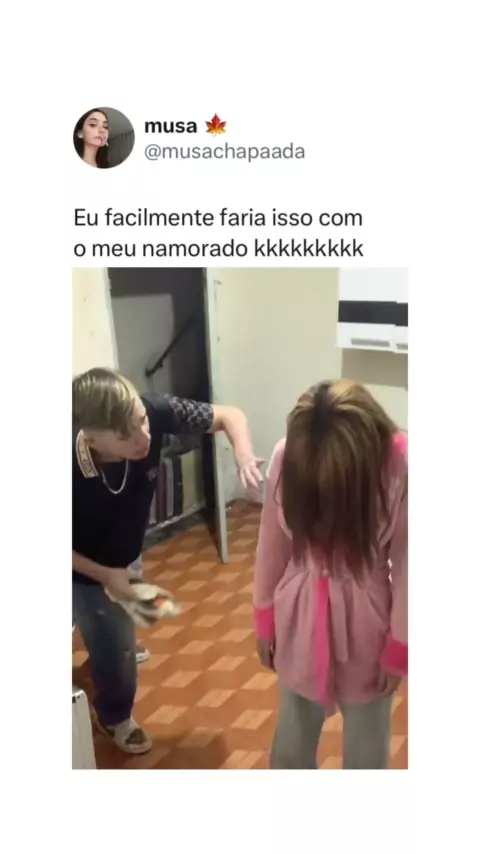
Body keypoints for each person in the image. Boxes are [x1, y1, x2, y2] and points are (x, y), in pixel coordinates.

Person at [73, 367, 263, 754]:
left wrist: (243, 455)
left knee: (124, 615)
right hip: (84, 566)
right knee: (115, 643)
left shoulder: (156, 410)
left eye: (141, 421)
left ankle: (112, 639)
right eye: (125, 435)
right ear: (91, 439)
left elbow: (229, 415)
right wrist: (105, 575)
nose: (144, 438)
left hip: (125, 551)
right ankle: (114, 716)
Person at [253, 379, 407, 770]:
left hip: (369, 626)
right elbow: (272, 545)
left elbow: (411, 566)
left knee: (366, 754)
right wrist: (265, 617)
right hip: (298, 616)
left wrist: (400, 646)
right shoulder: (288, 456)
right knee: (290, 748)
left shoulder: (399, 469)